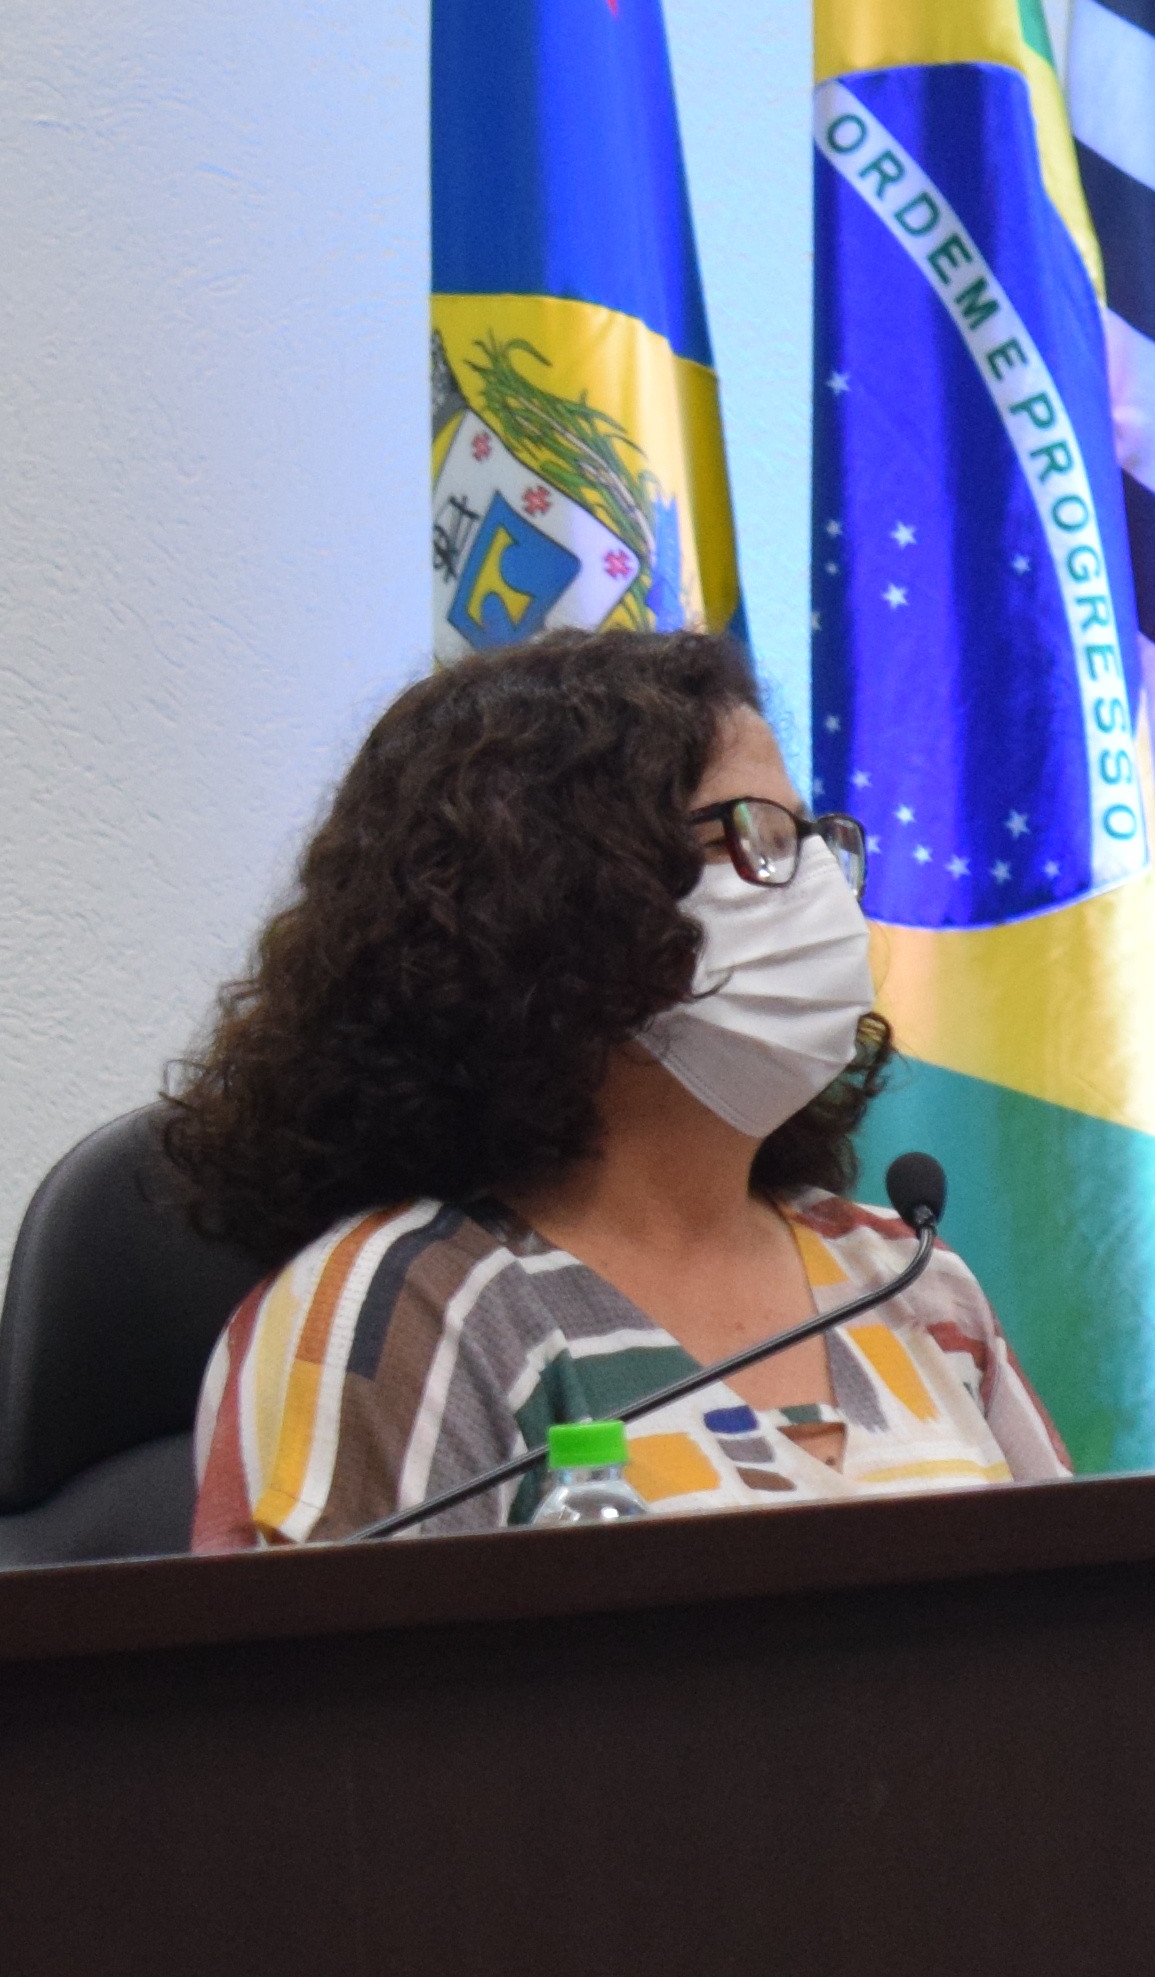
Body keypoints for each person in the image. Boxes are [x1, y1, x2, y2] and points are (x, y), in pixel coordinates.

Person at [167, 628, 1069, 1542]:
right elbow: (349, 1642)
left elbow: (1089, 1613)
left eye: (809, 838)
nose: (820, 891)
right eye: (754, 834)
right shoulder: (404, 1308)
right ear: (548, 894)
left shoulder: (913, 1281)